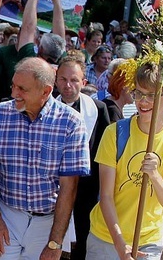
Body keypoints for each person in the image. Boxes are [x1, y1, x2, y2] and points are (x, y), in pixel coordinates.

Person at [0, 57, 89, 259]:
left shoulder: (71, 122)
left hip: (47, 223)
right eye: (13, 86)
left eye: (22, 89)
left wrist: (55, 242)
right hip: (6, 215)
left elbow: (69, 186)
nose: (13, 94)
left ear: (45, 91)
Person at [87, 59, 163, 260]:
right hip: (106, 237)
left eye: (151, 96)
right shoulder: (114, 133)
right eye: (138, 93)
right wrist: (120, 245)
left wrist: (155, 175)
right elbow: (106, 196)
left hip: (148, 241)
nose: (142, 101)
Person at [54, 55, 111, 260]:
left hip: (85, 191)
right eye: (63, 79)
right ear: (55, 79)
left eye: (74, 80)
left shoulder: (97, 109)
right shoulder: (47, 106)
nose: (68, 85)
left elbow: (104, 151)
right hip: (53, 189)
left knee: (79, 244)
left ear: (84, 82)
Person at [0, 0, 65, 103]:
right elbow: (60, 35)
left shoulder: (30, 61)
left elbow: (28, 27)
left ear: (39, 48)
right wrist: (57, 0)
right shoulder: (61, 63)